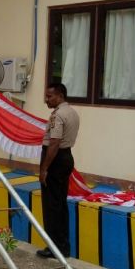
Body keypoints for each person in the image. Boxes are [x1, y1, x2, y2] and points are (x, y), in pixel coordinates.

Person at [37, 82, 79, 258]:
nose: (46, 99)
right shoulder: (72, 112)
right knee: (60, 204)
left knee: (51, 206)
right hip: (65, 157)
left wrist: (44, 169)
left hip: (55, 160)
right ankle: (63, 246)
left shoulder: (58, 115)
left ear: (60, 96)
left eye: (49, 96)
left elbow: (54, 142)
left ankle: (54, 248)